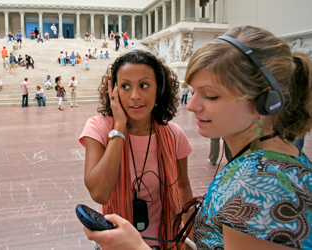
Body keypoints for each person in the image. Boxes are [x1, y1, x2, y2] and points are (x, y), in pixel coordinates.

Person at [84, 26, 312, 250]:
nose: (191, 106)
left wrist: (133, 247)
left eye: (210, 95)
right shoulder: (271, 162)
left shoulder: (261, 185)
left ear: (265, 101)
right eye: (193, 92)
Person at [80, 50, 193, 249]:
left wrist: (192, 237)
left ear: (158, 89)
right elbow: (99, 193)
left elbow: (183, 187)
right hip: (115, 242)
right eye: (125, 86)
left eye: (144, 85)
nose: (135, 96)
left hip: (166, 240)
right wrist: (119, 128)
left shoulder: (174, 134)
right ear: (113, 91)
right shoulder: (99, 128)